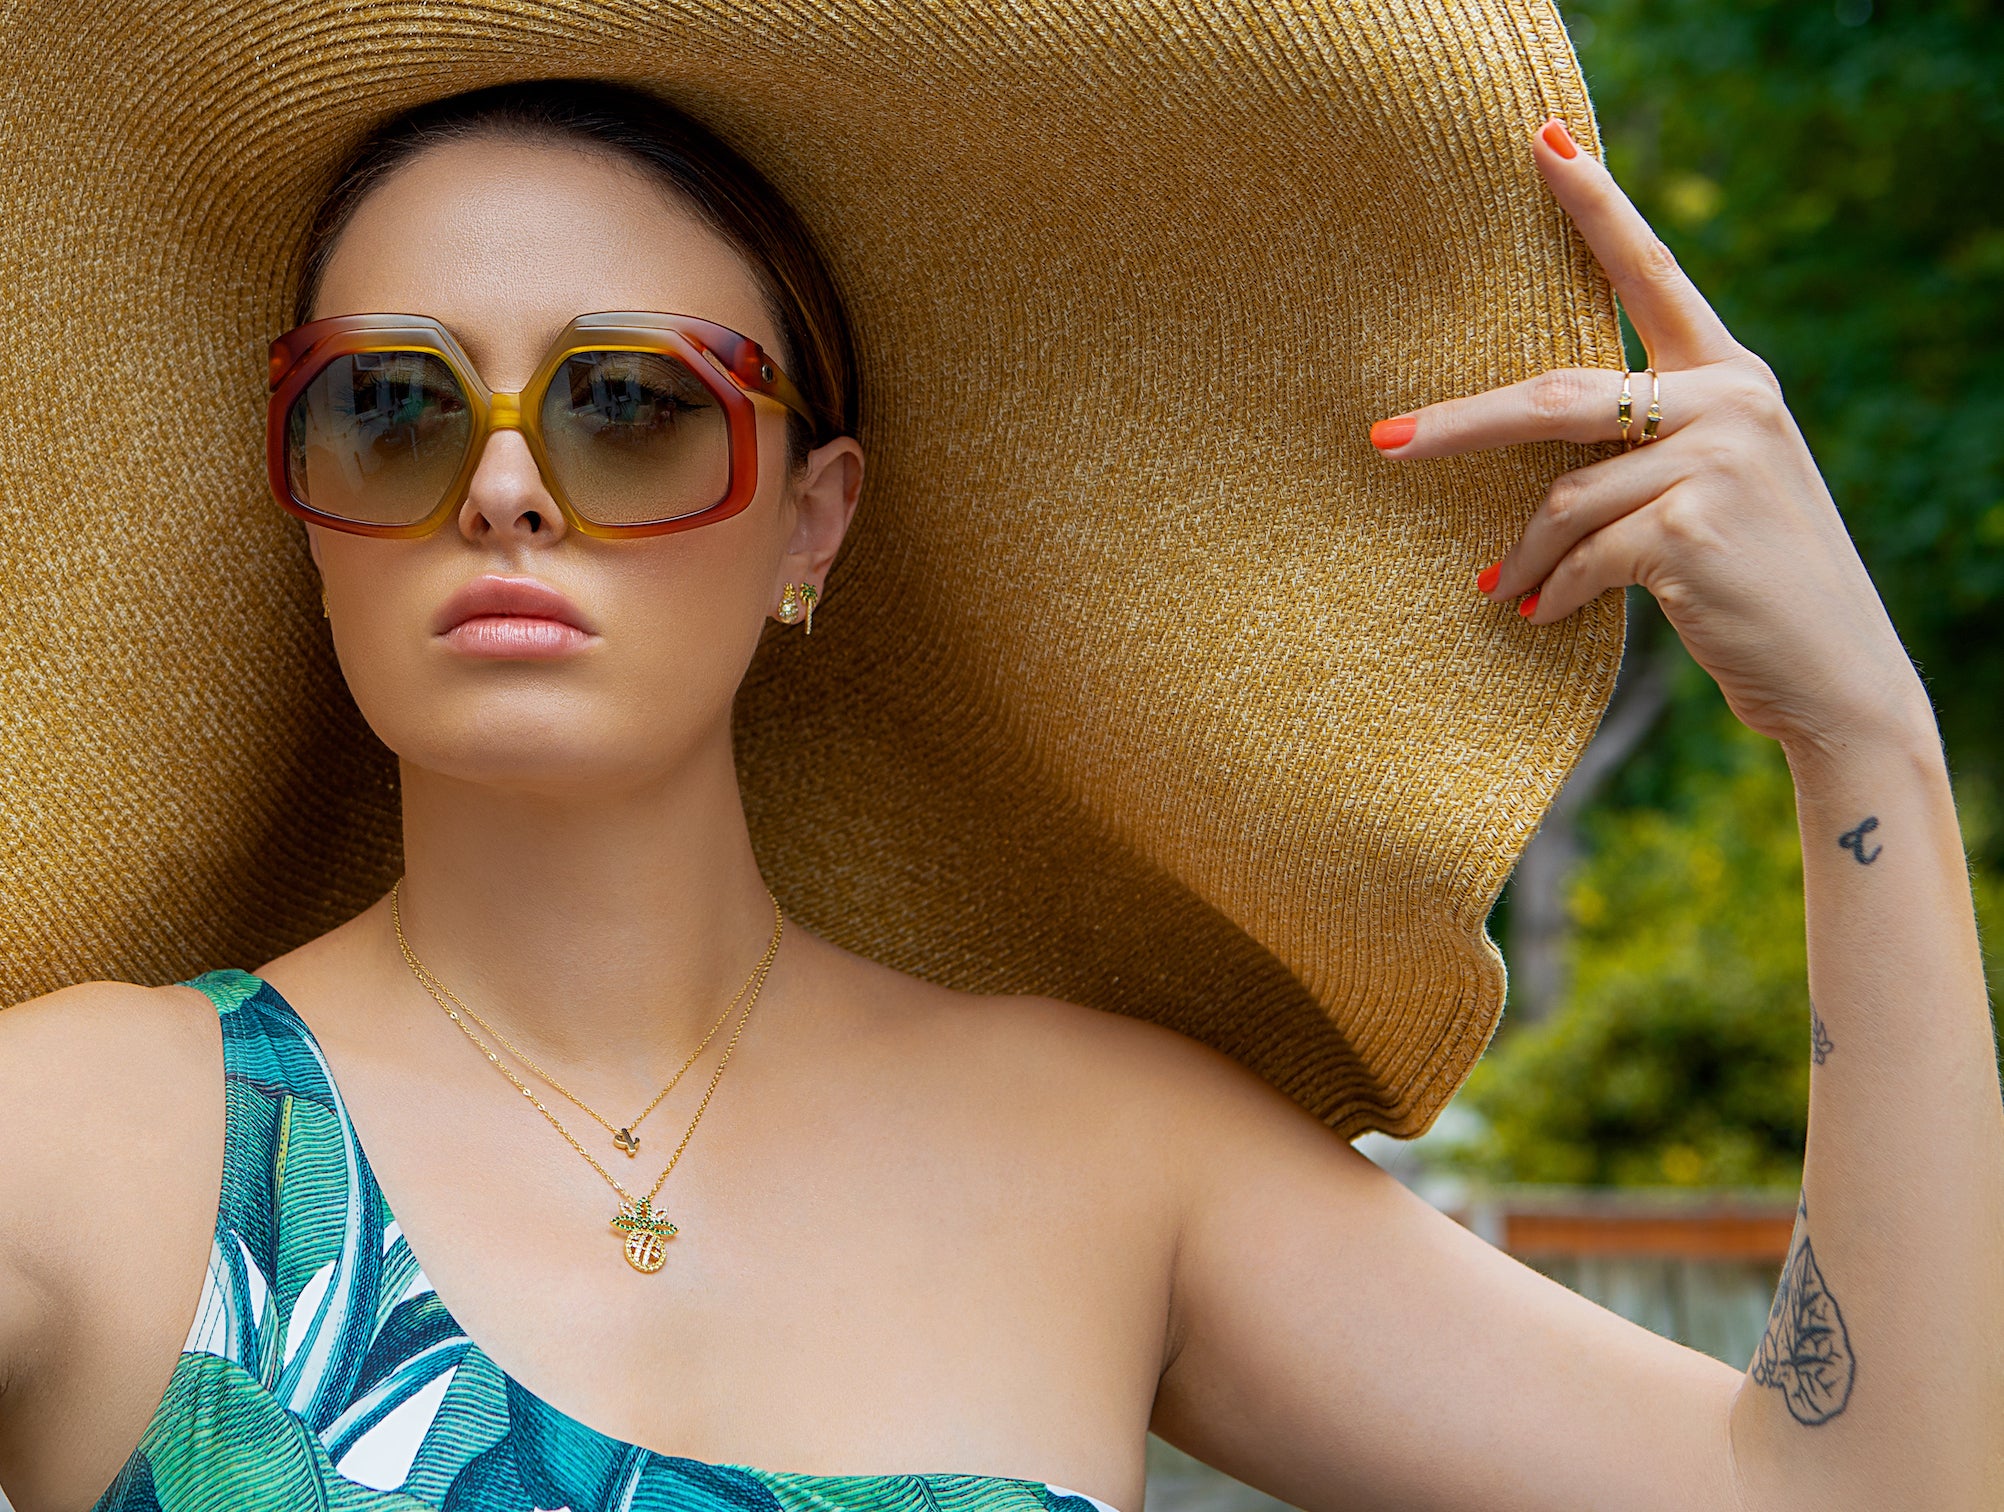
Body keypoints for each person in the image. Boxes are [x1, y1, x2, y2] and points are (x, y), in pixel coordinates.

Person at [0, 9, 1997, 1512]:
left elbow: (1848, 1490)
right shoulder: (88, 1135)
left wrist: (1857, 735)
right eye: (388, 408)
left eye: (629, 405)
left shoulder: (1101, 1151)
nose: (507, 488)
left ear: (815, 518)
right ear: (307, 512)